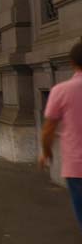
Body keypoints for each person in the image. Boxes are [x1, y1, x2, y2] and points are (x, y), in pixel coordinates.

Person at [39, 41, 82, 231]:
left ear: (72, 63)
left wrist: (46, 152)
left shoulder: (61, 90)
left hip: (77, 166)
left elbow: (48, 129)